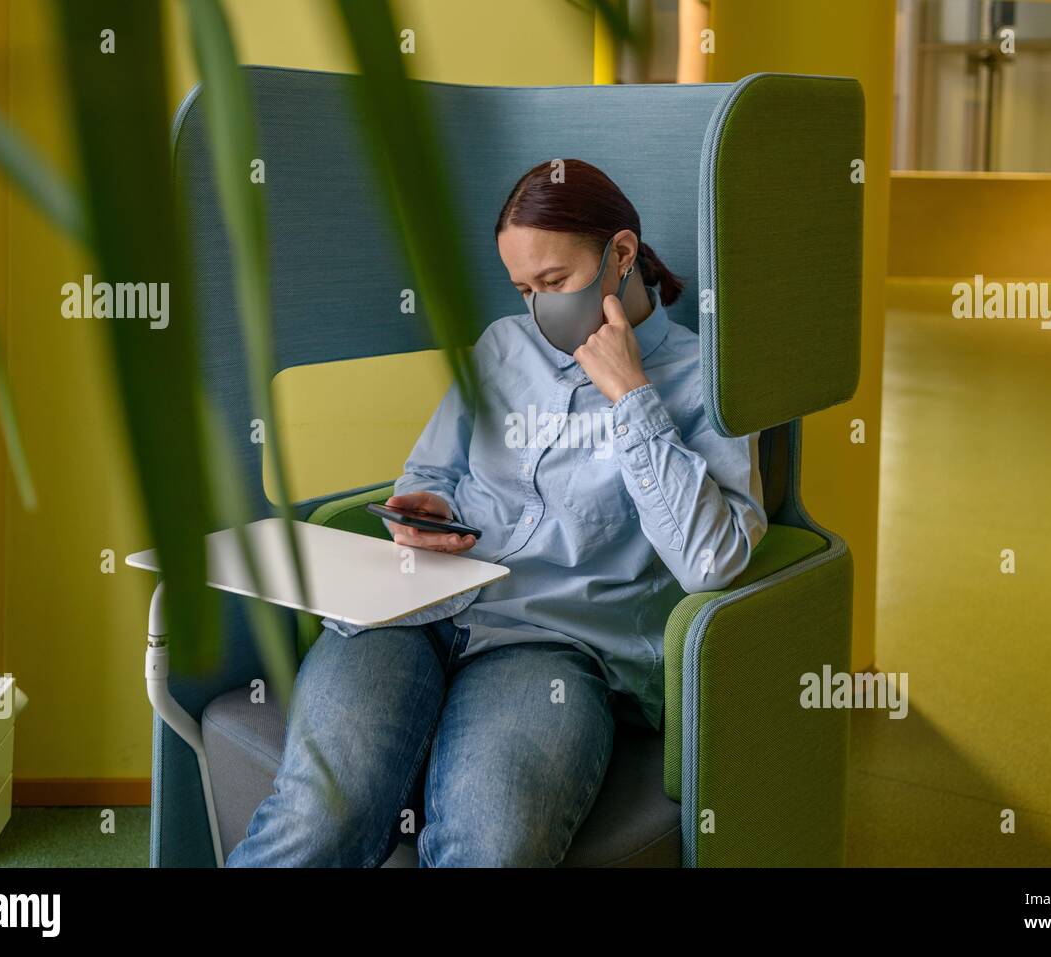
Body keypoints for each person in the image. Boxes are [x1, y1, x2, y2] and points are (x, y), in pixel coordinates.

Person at [225, 159, 766, 868]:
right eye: (522, 289)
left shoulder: (706, 385)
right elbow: (429, 472)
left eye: (554, 283)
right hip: (411, 611)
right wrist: (428, 509)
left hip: (550, 649)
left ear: (622, 255)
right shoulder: (503, 348)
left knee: (493, 849)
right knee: (317, 817)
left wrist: (633, 398)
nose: (539, 309)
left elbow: (712, 561)